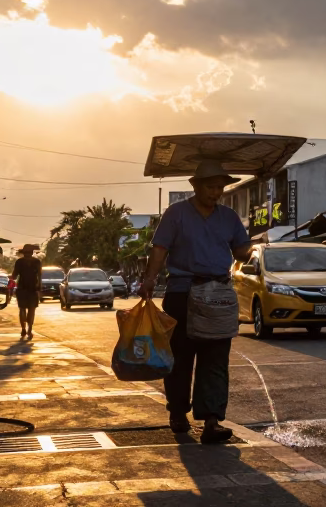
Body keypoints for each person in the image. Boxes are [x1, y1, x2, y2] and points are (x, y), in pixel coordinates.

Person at [139, 160, 251, 445]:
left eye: (220, 188)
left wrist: (245, 250)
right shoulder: (176, 213)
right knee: (180, 357)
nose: (216, 193)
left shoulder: (229, 217)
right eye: (211, 187)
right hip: (182, 293)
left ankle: (211, 420)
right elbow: (160, 248)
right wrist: (150, 279)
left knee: (215, 358)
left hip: (218, 294)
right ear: (196, 186)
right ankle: (177, 412)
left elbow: (241, 251)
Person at [12, 245, 43, 340]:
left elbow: (14, 275)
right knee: (32, 310)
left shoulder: (19, 262)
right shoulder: (37, 262)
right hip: (32, 288)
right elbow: (40, 276)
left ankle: (23, 329)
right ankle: (29, 329)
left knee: (22, 309)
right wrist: (40, 288)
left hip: (22, 288)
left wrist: (11, 279)